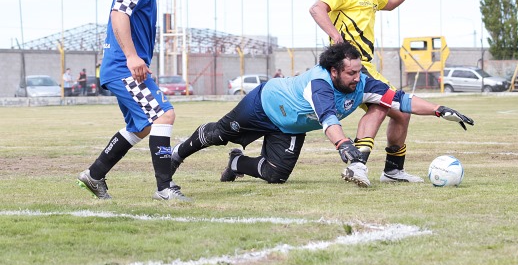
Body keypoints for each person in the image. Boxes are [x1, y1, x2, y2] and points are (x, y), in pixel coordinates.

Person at [170, 43, 474, 187]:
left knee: (276, 176)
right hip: (263, 104)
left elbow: (402, 100)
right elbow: (329, 121)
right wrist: (343, 146)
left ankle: (237, 163)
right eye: (351, 72)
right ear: (334, 71)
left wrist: (438, 110)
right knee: (218, 134)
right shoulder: (320, 83)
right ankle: (177, 154)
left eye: (359, 71)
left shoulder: (364, 82)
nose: (357, 78)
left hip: (288, 125)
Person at [76, 0, 189, 201]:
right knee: (164, 115)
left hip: (121, 66)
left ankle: (94, 175)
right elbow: (119, 13)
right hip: (123, 66)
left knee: (142, 126)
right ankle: (164, 188)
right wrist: (131, 56)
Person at [309, 0, 432, 183]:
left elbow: (391, 2)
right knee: (383, 105)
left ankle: (392, 171)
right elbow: (317, 9)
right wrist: (335, 35)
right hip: (352, 69)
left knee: (401, 114)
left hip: (368, 67)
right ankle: (357, 166)